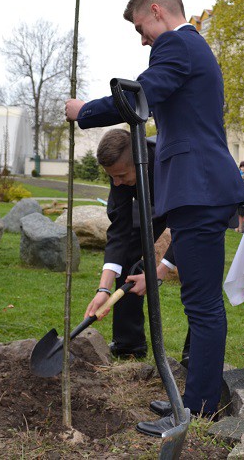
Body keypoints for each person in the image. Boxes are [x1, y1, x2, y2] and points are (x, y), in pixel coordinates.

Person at [64, 0, 244, 434]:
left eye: (141, 27)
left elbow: (138, 101)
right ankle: (194, 399)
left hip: (199, 186)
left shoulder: (177, 46)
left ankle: (199, 407)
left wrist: (82, 111)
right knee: (198, 301)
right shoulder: (190, 49)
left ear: (157, 10)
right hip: (198, 186)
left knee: (202, 305)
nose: (142, 38)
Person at [84, 129, 179, 359]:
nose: (116, 182)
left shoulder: (172, 161)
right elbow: (119, 227)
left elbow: (186, 225)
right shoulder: (120, 169)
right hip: (151, 200)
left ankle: (194, 356)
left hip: (196, 202)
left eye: (121, 176)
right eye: (112, 177)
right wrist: (104, 289)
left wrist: (158, 273)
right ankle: (129, 345)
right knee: (126, 253)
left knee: (196, 267)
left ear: (139, 162)